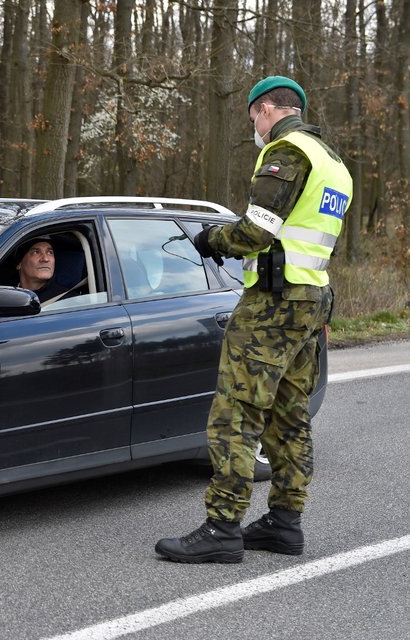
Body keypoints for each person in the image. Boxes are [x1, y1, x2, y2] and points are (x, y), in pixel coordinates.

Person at [154, 75, 353, 563]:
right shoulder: (336, 163)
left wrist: (211, 241)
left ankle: (223, 528)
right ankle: (285, 524)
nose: (255, 132)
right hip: (312, 300)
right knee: (289, 415)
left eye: (253, 120)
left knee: (236, 413)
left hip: (272, 303)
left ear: (266, 110)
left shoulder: (288, 151)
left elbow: (255, 233)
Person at [14, 236, 69, 303]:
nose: (45, 259)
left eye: (50, 252)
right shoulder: (6, 296)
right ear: (19, 263)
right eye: (36, 252)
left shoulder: (67, 300)